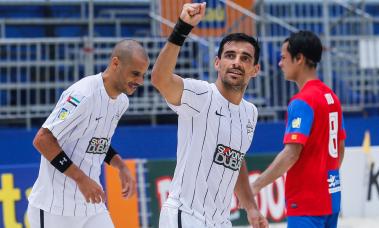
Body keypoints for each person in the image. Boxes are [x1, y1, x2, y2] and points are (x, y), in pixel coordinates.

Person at [151, 2, 268, 228]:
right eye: (230, 55)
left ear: (256, 69)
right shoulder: (201, 95)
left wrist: (252, 208)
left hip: (220, 221)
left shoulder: (250, 112)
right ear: (217, 63)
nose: (236, 62)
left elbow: (236, 159)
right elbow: (160, 79)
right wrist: (182, 27)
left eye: (245, 58)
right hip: (185, 215)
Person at [27, 40, 149, 228]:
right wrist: (82, 180)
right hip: (54, 208)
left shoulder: (122, 102)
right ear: (115, 63)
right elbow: (43, 140)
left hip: (91, 207)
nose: (140, 81)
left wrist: (120, 165)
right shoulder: (83, 94)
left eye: (142, 75)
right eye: (135, 73)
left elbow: (96, 141)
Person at [251, 31, 346, 228]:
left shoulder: (302, 101)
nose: (280, 64)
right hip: (331, 197)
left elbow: (291, 154)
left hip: (306, 201)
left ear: (299, 59)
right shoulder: (331, 96)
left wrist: (255, 185)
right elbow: (340, 149)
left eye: (283, 57)